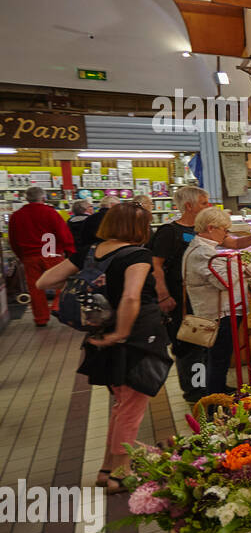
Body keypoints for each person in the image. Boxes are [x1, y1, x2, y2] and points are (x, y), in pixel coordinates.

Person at [36, 202, 172, 494]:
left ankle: (106, 468)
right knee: (132, 406)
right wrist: (121, 332)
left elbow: (43, 281)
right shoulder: (137, 254)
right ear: (139, 228)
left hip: (101, 334)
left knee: (122, 403)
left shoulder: (89, 253)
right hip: (135, 337)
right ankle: (121, 474)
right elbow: (132, 298)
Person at [150, 185, 251, 401]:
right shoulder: (180, 238)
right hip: (197, 305)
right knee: (198, 350)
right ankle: (203, 394)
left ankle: (212, 390)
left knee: (212, 354)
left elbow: (234, 244)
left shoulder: (204, 243)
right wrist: (163, 295)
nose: (226, 234)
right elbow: (222, 280)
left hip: (203, 303)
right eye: (204, 203)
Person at [183, 207, 248, 396]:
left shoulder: (202, 248)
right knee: (218, 358)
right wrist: (238, 265)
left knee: (220, 356)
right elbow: (225, 281)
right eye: (225, 230)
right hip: (218, 314)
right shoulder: (203, 252)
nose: (226, 234)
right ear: (211, 228)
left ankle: (219, 390)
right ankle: (214, 401)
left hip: (216, 311)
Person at [7, 186, 76, 327]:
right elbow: (63, 234)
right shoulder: (50, 213)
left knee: (36, 288)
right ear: (43, 198)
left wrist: (21, 256)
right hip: (51, 253)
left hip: (29, 256)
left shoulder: (16, 216)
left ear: (26, 199)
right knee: (63, 282)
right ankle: (57, 306)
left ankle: (41, 318)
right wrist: (70, 251)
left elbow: (13, 239)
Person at [66, 199, 95, 267]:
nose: (92, 208)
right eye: (91, 206)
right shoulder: (92, 220)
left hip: (73, 252)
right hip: (89, 252)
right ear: (86, 209)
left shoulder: (69, 221)